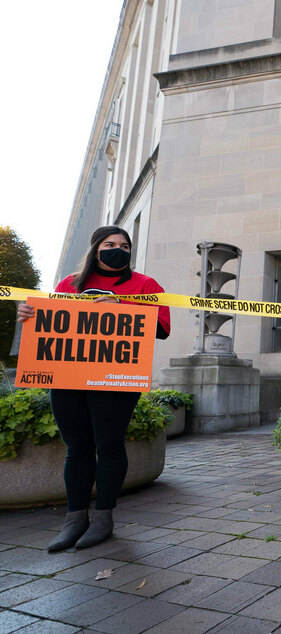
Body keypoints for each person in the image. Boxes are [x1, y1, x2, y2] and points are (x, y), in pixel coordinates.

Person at [17, 226, 171, 551]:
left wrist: (123, 307)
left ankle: (103, 519)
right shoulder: (68, 286)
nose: (119, 249)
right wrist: (29, 313)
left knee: (110, 446)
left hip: (114, 378)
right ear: (95, 248)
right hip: (67, 377)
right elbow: (49, 320)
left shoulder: (145, 285)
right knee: (77, 448)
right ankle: (75, 520)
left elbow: (161, 329)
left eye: (125, 246)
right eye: (111, 243)